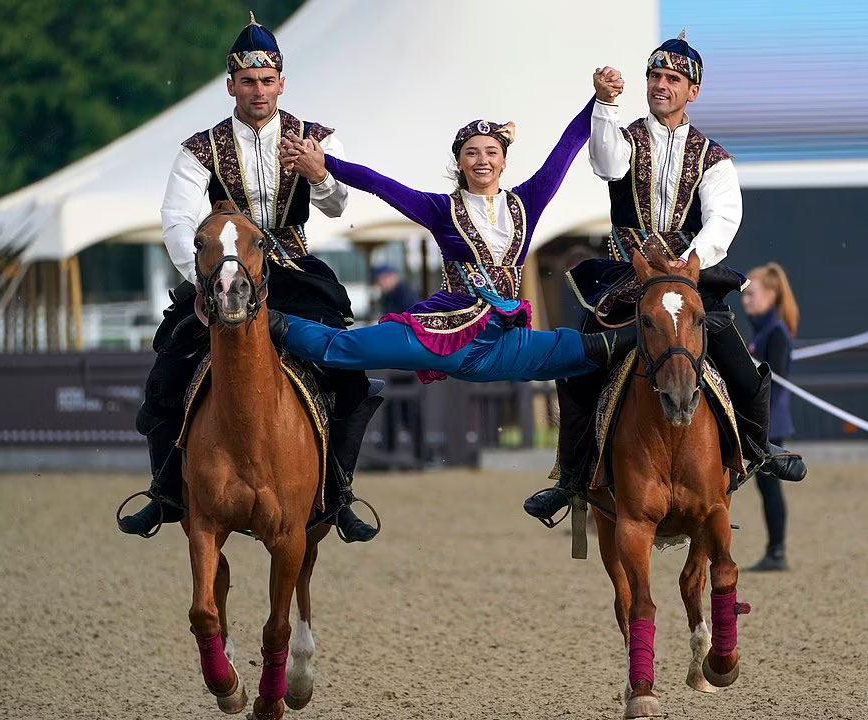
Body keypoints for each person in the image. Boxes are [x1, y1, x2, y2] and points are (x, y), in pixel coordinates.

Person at [523, 32, 807, 527]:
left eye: (673, 79)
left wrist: (688, 266)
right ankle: (570, 479)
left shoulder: (713, 156)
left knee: (738, 361)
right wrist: (607, 105)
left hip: (688, 275)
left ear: (693, 90)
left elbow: (725, 218)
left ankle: (758, 446)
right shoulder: (627, 136)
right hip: (623, 274)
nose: (661, 86)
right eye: (655, 77)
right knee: (578, 368)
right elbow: (605, 163)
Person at [118, 13, 379, 542]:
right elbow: (177, 222)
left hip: (295, 273)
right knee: (167, 371)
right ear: (230, 85)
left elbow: (338, 206)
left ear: (282, 82)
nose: (258, 91)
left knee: (350, 374)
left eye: (267, 81)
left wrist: (320, 175)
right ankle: (166, 490)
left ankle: (340, 493)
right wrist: (210, 283)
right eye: (248, 82)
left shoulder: (318, 139)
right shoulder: (198, 149)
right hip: (221, 276)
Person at [271, 94, 638, 383]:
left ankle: (577, 474)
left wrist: (602, 99)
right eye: (472, 153)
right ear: (459, 163)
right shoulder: (440, 208)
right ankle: (266, 321)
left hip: (504, 342)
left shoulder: (528, 201)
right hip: (443, 336)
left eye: (491, 152)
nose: (483, 160)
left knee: (586, 352)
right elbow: (378, 184)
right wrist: (325, 165)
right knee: (341, 347)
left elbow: (568, 146)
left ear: (504, 161)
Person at [742, 263, 799, 571]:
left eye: (752, 294)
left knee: (770, 486)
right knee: (766, 487)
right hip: (764, 420)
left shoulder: (775, 332)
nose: (746, 300)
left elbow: (774, 382)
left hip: (770, 422)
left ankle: (777, 551)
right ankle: (774, 550)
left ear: (771, 294)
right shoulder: (762, 329)